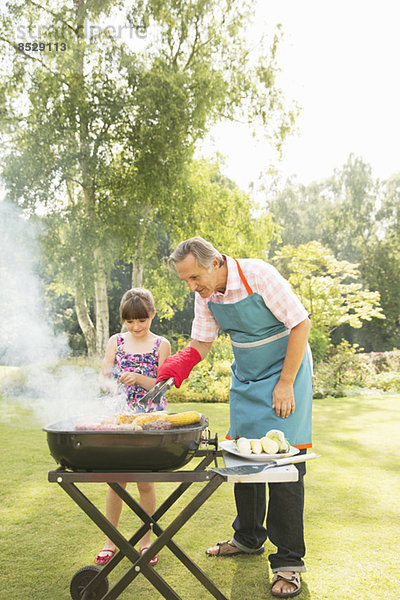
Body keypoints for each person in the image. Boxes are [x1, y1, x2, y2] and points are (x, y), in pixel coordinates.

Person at [156, 237, 313, 598]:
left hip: (284, 375)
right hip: (247, 379)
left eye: (195, 277)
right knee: (243, 459)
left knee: (285, 465)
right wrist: (176, 366)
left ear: (215, 263)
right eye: (186, 281)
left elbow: (300, 324)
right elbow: (200, 344)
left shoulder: (259, 275)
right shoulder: (206, 295)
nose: (193, 287)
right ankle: (247, 538)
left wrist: (286, 382)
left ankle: (288, 562)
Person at [95, 287, 171, 567]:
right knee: (116, 484)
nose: (136, 326)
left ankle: (146, 540)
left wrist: (139, 378)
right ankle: (110, 541)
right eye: (130, 321)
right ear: (123, 320)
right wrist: (113, 386)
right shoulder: (115, 341)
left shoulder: (161, 344)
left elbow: (162, 386)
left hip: (150, 422)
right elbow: (104, 377)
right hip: (119, 419)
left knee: (145, 484)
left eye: (142, 320)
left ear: (152, 314)